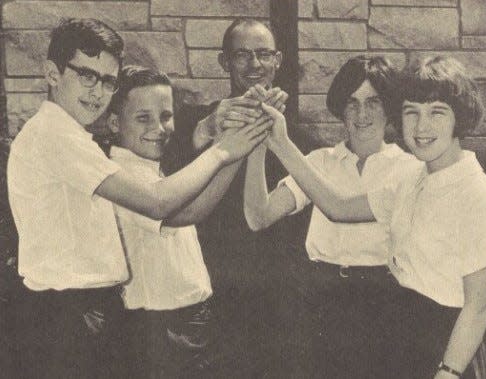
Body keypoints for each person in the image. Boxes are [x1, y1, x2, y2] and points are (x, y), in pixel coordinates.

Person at [7, 18, 269, 379]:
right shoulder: (55, 135)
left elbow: (181, 206)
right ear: (52, 73)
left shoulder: (70, 136)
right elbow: (158, 202)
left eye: (108, 81)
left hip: (85, 311)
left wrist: (229, 146)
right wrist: (224, 151)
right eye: (87, 75)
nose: (97, 91)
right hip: (68, 314)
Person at [257, 56, 486, 379]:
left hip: (450, 350)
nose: (421, 127)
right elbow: (336, 206)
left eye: (436, 112)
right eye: (411, 112)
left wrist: (448, 372)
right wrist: (280, 142)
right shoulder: (410, 181)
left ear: (460, 117)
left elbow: (479, 306)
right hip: (402, 341)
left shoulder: (478, 196)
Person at [244, 55, 421, 377]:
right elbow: (259, 216)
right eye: (352, 103)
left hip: (385, 303)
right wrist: (257, 142)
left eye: (373, 102)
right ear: (340, 108)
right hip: (321, 303)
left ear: (390, 108)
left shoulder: (410, 170)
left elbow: (338, 208)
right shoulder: (320, 161)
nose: (362, 114)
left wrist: (282, 144)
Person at [160, 18, 289, 376]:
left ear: (278, 60)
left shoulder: (295, 135)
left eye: (264, 54)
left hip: (272, 296)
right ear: (224, 62)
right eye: (242, 55)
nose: (255, 65)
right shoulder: (194, 123)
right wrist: (207, 129)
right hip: (209, 291)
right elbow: (164, 182)